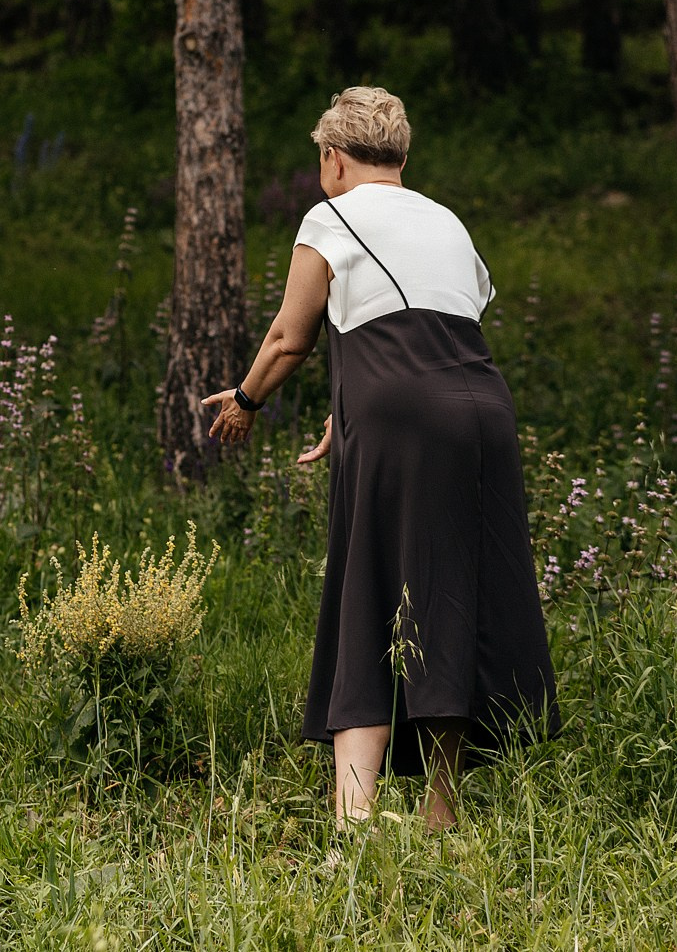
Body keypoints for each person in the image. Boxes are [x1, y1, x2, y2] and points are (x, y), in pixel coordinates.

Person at [200, 87, 556, 829]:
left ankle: (353, 817)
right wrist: (352, 405)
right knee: (451, 594)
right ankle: (441, 809)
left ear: (332, 158)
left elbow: (288, 339)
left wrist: (245, 399)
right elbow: (429, 331)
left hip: (403, 417)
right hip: (484, 413)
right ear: (401, 154)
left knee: (367, 590)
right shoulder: (446, 219)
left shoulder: (329, 216)